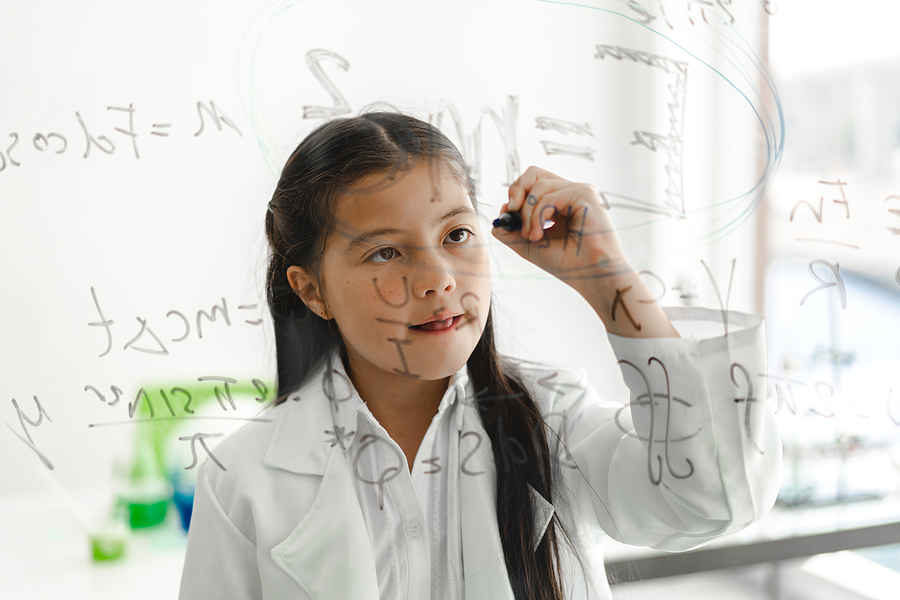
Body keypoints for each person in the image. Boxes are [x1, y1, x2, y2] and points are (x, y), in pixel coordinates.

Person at [179, 112, 782, 600]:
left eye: (456, 235)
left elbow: (713, 497)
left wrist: (607, 279)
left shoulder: (554, 420)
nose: (438, 278)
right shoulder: (244, 481)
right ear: (313, 290)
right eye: (386, 253)